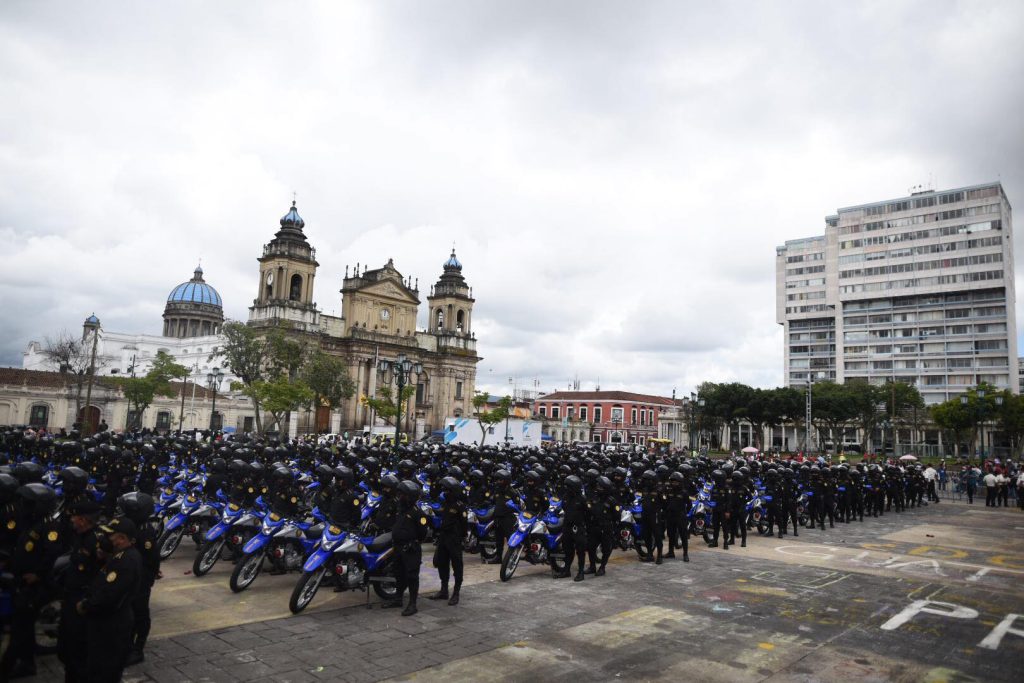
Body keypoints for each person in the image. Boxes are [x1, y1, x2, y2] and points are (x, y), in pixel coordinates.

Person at [78, 516, 142, 682]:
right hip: (108, 623)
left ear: (121, 538)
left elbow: (109, 596)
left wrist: (86, 605)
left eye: (110, 536)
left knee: (105, 671)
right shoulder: (119, 555)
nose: (106, 539)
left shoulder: (126, 561)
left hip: (111, 625)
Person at [57, 499, 102, 683]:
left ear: (83, 519)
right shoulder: (80, 536)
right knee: (66, 649)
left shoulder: (96, 542)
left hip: (81, 601)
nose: (72, 520)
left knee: (78, 653)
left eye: (74, 517)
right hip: (71, 597)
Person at [383, 480, 428, 616]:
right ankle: (398, 598)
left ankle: (412, 604)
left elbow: (422, 534)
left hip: (410, 549)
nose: (400, 496)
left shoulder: (417, 513)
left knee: (412, 576)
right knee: (398, 573)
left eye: (403, 494)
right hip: (398, 547)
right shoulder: (400, 509)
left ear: (410, 496)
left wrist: (412, 542)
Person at [430, 476, 467, 605]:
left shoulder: (460, 506)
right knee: (442, 563)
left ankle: (456, 593)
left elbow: (464, 525)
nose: (445, 493)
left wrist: (461, 538)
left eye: (447, 491)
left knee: (457, 566)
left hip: (454, 538)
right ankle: (444, 590)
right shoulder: (445, 503)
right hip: (443, 537)